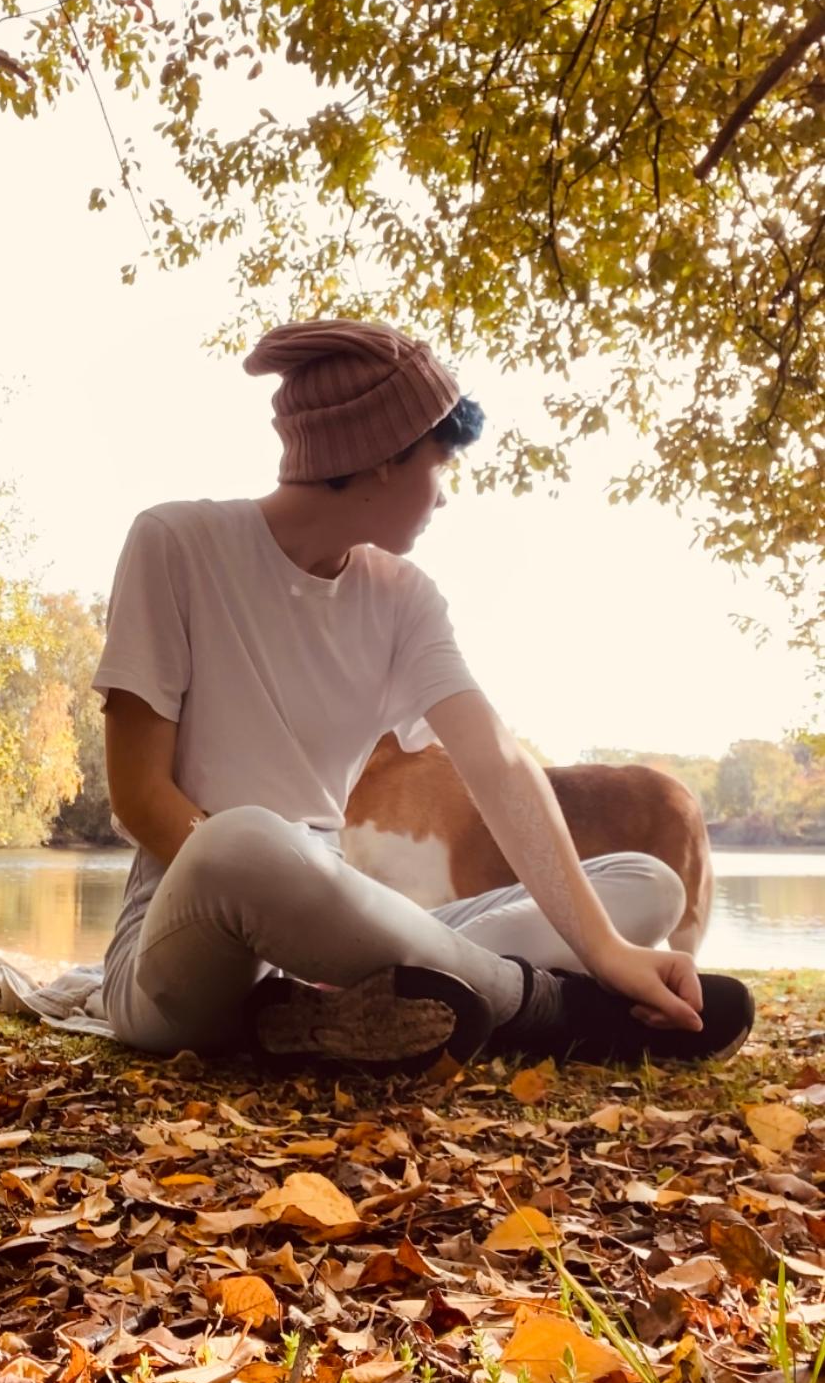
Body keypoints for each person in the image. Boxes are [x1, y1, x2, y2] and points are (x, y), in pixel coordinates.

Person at [91, 319, 754, 1073]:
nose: (442, 498)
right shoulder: (174, 543)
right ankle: (546, 1006)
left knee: (646, 884)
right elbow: (137, 792)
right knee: (245, 840)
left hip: (332, 907)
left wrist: (604, 947)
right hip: (189, 926)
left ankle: (343, 1008)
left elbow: (498, 765)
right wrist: (297, 916)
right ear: (378, 461)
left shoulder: (404, 598)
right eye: (439, 465)